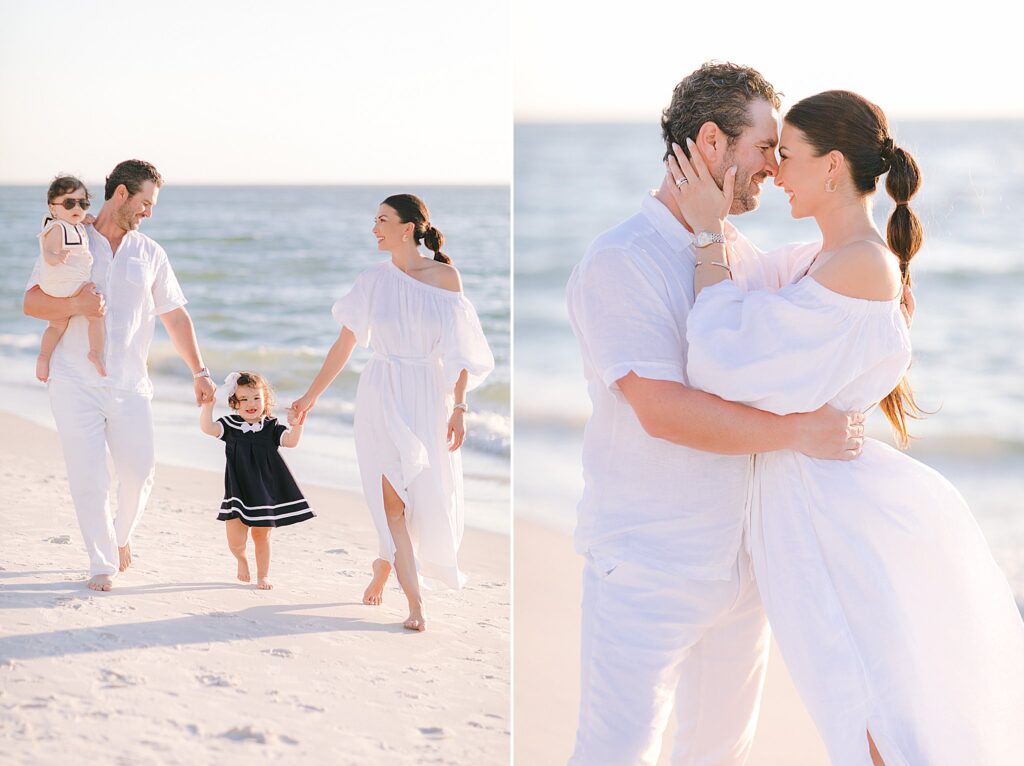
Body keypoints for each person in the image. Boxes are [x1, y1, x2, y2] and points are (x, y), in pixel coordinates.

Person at [670, 89, 1024, 766]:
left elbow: (720, 359)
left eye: (788, 156)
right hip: (814, 510)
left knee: (867, 705)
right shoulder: (830, 260)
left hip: (830, 521)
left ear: (831, 167)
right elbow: (764, 319)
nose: (776, 172)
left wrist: (707, 235)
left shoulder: (858, 264)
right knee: (865, 704)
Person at [564, 63, 872, 766]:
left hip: (742, 567)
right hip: (648, 565)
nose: (774, 165)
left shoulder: (739, 254)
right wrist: (800, 433)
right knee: (615, 754)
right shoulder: (620, 261)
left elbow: (840, 267)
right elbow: (664, 412)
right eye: (765, 147)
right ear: (711, 142)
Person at [291, 194, 493, 632]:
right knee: (393, 504)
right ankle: (416, 605)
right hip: (381, 393)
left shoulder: (445, 278)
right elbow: (344, 345)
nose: (374, 228)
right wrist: (310, 397)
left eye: (382, 220)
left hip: (426, 395)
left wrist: (460, 407)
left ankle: (385, 561)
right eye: (374, 220)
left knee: (421, 497)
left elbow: (460, 353)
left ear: (408, 228)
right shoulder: (371, 281)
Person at [23, 159, 216, 592]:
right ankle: (102, 562)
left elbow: (175, 315)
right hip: (72, 380)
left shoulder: (150, 252)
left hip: (130, 385)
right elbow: (32, 303)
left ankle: (120, 536)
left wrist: (199, 371)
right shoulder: (72, 236)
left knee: (140, 471)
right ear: (122, 194)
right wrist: (76, 307)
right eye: (146, 202)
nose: (149, 211)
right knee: (88, 476)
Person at [199, 371, 313, 590]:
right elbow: (208, 428)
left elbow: (290, 442)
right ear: (234, 403)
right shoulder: (230, 425)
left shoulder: (271, 427)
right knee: (235, 540)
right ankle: (241, 559)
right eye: (244, 399)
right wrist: (208, 407)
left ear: (265, 400)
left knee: (262, 536)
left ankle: (263, 575)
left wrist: (297, 425)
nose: (251, 404)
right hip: (238, 491)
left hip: (264, 492)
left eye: (256, 398)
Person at [34, 175, 105, 382]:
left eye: (83, 203)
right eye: (69, 203)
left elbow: (78, 219)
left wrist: (84, 216)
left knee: (56, 325)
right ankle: (96, 353)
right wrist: (56, 257)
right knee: (96, 314)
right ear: (53, 208)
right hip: (69, 284)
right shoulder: (58, 228)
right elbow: (48, 252)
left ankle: (43, 356)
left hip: (57, 287)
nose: (77, 208)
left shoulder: (69, 222)